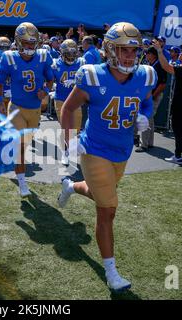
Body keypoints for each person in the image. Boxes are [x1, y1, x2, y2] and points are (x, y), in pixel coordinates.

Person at [57, 22, 156, 291]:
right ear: (110, 50)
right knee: (108, 210)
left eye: (133, 51)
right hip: (94, 150)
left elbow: (146, 99)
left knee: (101, 194)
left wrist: (145, 114)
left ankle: (71, 186)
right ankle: (111, 272)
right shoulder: (92, 75)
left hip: (122, 151)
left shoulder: (145, 75)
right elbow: (68, 109)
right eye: (123, 50)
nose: (129, 56)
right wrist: (71, 142)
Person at [0, 22, 54, 197]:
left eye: (32, 42)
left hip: (35, 110)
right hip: (16, 108)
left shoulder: (43, 56)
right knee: (20, 146)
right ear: (18, 42)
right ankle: (22, 182)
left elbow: (50, 80)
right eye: (26, 42)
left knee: (25, 145)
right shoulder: (9, 57)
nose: (29, 46)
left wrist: (45, 90)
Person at [153, 41, 182, 164]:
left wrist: (159, 50)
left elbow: (166, 67)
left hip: (180, 105)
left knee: (178, 129)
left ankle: (178, 156)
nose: (181, 54)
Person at [51, 39, 85, 165]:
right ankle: (66, 152)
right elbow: (49, 80)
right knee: (66, 128)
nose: (71, 57)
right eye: (68, 54)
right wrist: (52, 85)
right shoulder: (55, 64)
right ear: (62, 53)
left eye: (72, 54)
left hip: (76, 100)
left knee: (75, 129)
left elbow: (88, 81)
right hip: (61, 99)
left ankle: (71, 149)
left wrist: (75, 82)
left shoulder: (82, 62)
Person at [135, 46, 167, 152]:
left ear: (153, 54)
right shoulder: (151, 64)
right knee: (150, 120)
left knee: (146, 119)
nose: (146, 55)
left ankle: (144, 145)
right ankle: (149, 143)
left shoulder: (158, 65)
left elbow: (162, 84)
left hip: (154, 96)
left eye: (148, 53)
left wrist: (152, 96)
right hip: (150, 95)